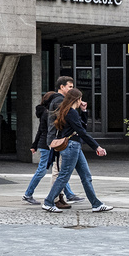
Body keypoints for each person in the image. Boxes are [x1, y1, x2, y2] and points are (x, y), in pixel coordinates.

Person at [42, 88, 113, 213]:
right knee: (64, 177)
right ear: (77, 99)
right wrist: (97, 146)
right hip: (72, 147)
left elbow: (82, 127)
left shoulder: (68, 111)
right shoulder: (71, 112)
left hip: (74, 147)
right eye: (80, 99)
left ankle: (96, 204)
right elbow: (82, 132)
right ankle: (48, 202)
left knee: (86, 176)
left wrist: (84, 111)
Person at [24, 77, 80, 207]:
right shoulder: (59, 101)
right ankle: (49, 198)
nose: (72, 90)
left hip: (52, 141)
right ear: (62, 87)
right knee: (54, 170)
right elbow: (53, 126)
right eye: (70, 87)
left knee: (60, 169)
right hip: (55, 141)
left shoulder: (55, 103)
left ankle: (63, 196)